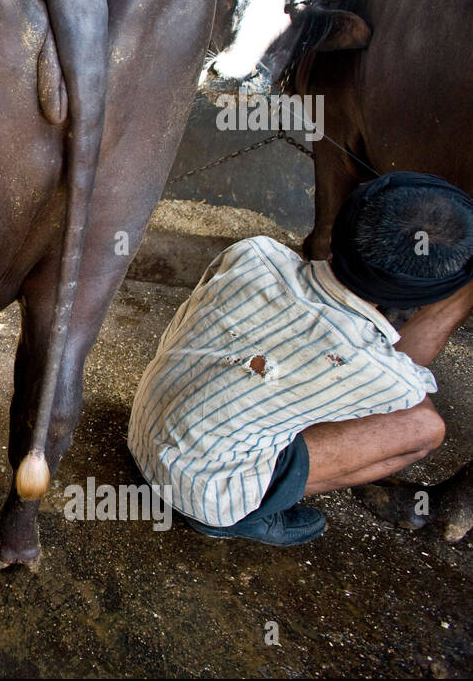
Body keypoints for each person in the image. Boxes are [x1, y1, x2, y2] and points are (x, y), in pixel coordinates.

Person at [128, 172, 473, 546]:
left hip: (143, 433)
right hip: (200, 496)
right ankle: (242, 514)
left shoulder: (254, 252)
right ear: (427, 293)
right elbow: (405, 385)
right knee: (425, 430)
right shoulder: (378, 371)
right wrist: (458, 299)